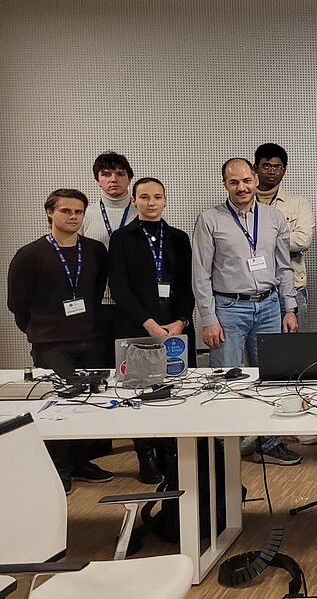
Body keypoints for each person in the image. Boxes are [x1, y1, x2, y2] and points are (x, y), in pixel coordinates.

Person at [193, 157, 300, 466]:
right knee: (225, 378)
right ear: (225, 184)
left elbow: (284, 267)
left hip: (268, 306)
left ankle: (269, 442)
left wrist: (289, 307)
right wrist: (208, 318)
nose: (241, 187)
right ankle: (222, 447)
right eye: (234, 182)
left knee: (271, 377)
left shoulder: (274, 218)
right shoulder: (210, 220)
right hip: (228, 308)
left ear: (255, 180)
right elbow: (200, 274)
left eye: (246, 180)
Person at [8, 189, 112, 491]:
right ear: (50, 213)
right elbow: (18, 303)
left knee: (90, 402)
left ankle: (82, 462)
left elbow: (96, 289)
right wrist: (38, 331)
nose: (73, 217)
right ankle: (60, 469)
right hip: (51, 343)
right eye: (66, 211)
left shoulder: (94, 250)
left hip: (92, 338)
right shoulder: (30, 255)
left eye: (78, 212)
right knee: (58, 405)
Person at [108, 178, 196, 484]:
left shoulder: (178, 238)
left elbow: (188, 284)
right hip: (138, 325)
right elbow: (120, 287)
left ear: (165, 200)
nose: (151, 202)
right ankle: (145, 454)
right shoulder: (122, 238)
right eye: (144, 197)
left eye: (157, 197)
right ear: (134, 201)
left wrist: (181, 321)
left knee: (174, 388)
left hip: (174, 327)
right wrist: (148, 323)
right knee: (139, 390)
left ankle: (170, 450)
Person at [80, 152, 134, 365]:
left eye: (120, 174)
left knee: (131, 366)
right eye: (106, 174)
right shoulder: (86, 214)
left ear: (129, 179)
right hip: (98, 303)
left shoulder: (143, 212)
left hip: (133, 304)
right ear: (97, 180)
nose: (113, 179)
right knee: (99, 364)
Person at [254, 143, 314, 331]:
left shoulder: (298, 203)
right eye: (266, 166)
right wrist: (279, 240)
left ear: (284, 171)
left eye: (277, 167)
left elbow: (303, 240)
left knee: (294, 345)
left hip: (293, 287)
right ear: (256, 168)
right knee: (260, 347)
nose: (272, 171)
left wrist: (262, 241)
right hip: (256, 289)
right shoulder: (245, 203)